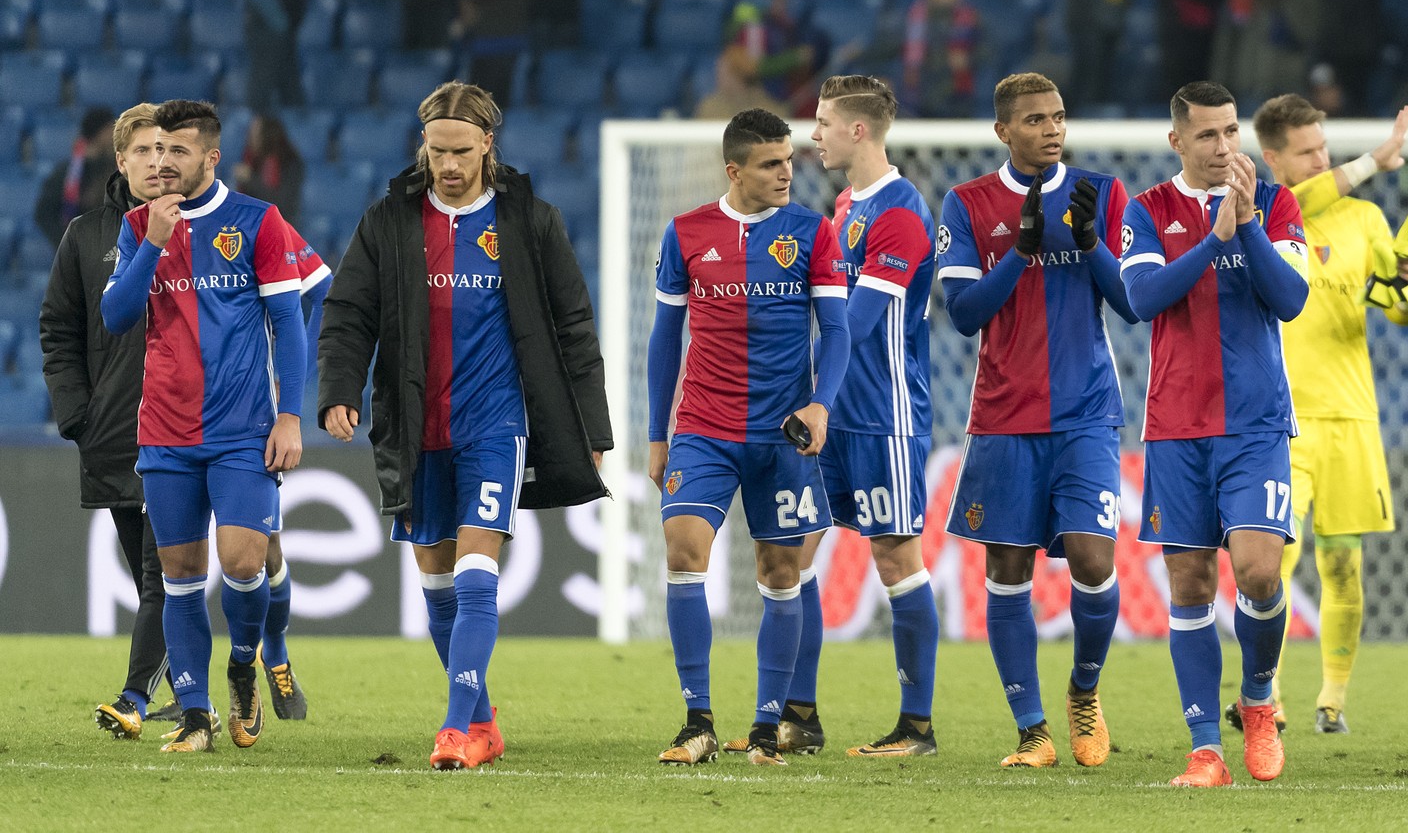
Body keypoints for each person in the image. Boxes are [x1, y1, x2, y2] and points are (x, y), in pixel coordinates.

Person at [317, 81, 611, 770]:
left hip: (495, 420)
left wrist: (592, 426)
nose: (447, 164)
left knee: (478, 571)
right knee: (436, 581)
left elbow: (573, 326)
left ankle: (454, 730)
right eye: (436, 149)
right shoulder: (389, 221)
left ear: (487, 144)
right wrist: (339, 388)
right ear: (424, 145)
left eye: (460, 150)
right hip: (416, 422)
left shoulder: (529, 221)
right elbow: (348, 312)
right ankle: (484, 719)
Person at [937, 72, 1139, 769]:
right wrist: (1019, 254)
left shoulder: (1101, 194)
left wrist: (1089, 243)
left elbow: (1131, 300)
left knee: (1092, 556)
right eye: (1034, 120)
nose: (1052, 129)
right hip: (1004, 415)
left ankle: (1084, 691)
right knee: (1009, 567)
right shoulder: (967, 204)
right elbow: (963, 315)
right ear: (1003, 131)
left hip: (1086, 410)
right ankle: (1032, 729)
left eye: (1058, 116)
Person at [1118, 81, 1310, 787]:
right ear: (1178, 141)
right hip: (1176, 425)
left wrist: (1249, 224)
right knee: (1191, 581)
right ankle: (1205, 749)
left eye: (1231, 131)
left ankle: (1257, 699)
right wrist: (1215, 239)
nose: (1225, 146)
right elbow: (1142, 299)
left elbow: (1290, 300)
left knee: (1259, 571)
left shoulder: (1277, 203)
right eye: (1208, 135)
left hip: (1256, 422)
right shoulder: (1147, 212)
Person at [101, 99, 307, 753]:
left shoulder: (256, 222)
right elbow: (116, 315)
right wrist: (154, 241)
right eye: (156, 150)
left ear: (210, 157)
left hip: (244, 430)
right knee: (181, 577)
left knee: (244, 563)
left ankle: (243, 660)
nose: (162, 162)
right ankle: (197, 714)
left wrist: (292, 415)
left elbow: (290, 325)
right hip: (164, 431)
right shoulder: (139, 226)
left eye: (178, 151)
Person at [649, 108, 850, 768]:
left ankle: (767, 727)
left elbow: (839, 330)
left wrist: (821, 404)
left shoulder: (812, 232)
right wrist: (658, 435)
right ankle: (697, 720)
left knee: (781, 570)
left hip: (782, 434)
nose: (787, 171)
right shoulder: (688, 233)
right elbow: (663, 341)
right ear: (735, 170)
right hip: (704, 428)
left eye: (789, 159)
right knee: (683, 552)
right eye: (770, 163)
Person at [1237, 96, 1408, 736]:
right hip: (1283, 418)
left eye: (1325, 147)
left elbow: (1397, 307)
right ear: (1273, 160)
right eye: (1308, 151)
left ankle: (1332, 699)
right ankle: (1264, 696)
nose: (1322, 159)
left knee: (1343, 562)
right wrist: (1375, 158)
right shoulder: (1267, 213)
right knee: (1276, 562)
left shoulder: (1366, 218)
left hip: (1351, 415)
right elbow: (1313, 196)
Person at [775, 74, 939, 759]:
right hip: (832, 415)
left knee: (895, 555)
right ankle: (801, 714)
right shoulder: (844, 205)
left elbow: (861, 323)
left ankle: (917, 726)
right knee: (794, 553)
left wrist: (804, 382)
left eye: (823, 122)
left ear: (859, 130)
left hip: (882, 416)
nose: (813, 135)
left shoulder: (900, 212)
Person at [40, 103, 173, 739]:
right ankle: (196, 689)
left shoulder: (215, 230)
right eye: (141, 151)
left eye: (164, 150)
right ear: (119, 160)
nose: (155, 161)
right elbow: (58, 329)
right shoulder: (87, 235)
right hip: (115, 432)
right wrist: (77, 417)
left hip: (189, 432)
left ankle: (132, 698)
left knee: (160, 574)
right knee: (151, 574)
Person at [34, 107, 118, 248]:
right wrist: (65, 243)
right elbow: (43, 214)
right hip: (77, 254)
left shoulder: (117, 169)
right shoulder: (66, 173)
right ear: (100, 132)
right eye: (111, 128)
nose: (115, 134)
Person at [245, 0, 307, 111]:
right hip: (269, 29)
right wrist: (282, 23)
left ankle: (297, 128)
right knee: (261, 93)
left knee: (290, 88)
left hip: (278, 28)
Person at [234, 115, 306, 232]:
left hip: (283, 228)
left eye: (256, 133)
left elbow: (281, 201)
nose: (251, 137)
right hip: (253, 228)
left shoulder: (291, 163)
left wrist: (251, 179)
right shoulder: (252, 160)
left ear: (267, 135)